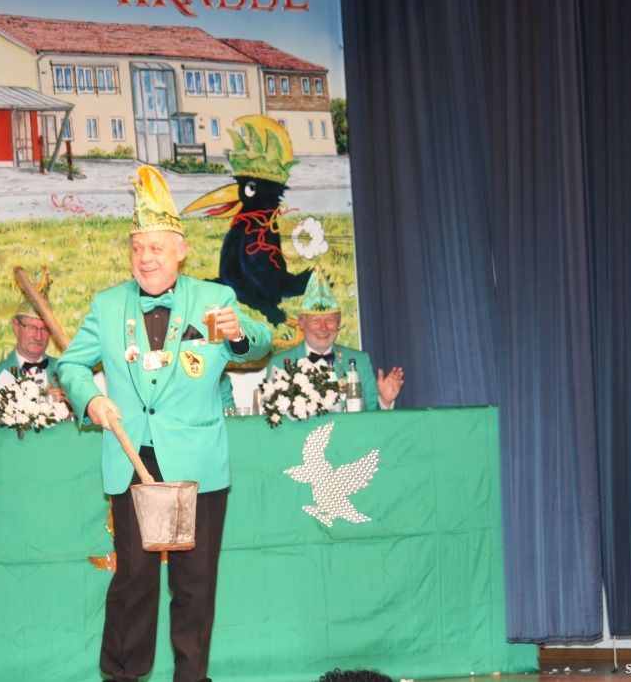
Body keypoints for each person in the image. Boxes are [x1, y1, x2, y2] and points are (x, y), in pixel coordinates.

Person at [57, 165, 272, 682]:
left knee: (195, 583)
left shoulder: (214, 300)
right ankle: (123, 676)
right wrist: (90, 398)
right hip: (132, 457)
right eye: (137, 248)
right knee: (133, 580)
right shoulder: (108, 305)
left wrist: (238, 334)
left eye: (155, 247)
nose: (145, 257)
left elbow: (259, 344)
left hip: (197, 462)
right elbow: (70, 365)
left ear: (180, 250)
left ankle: (191, 677)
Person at [269, 268, 403, 409]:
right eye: (316, 320)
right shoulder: (279, 365)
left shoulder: (360, 361)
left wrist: (385, 401)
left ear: (338, 323)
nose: (323, 328)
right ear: (301, 323)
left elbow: (373, 415)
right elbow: (272, 415)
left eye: (330, 320)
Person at [0, 268, 66, 401]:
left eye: (45, 329)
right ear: (16, 326)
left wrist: (69, 403)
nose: (38, 336)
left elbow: (87, 412)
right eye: (32, 327)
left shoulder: (66, 373)